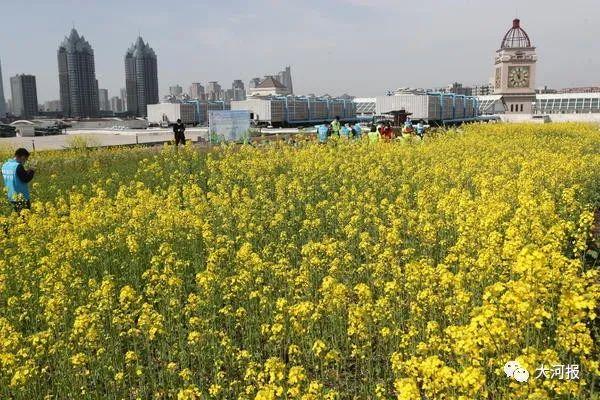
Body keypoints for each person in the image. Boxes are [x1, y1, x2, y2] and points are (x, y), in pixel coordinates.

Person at [2, 148, 35, 213]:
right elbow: (25, 179)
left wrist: (26, 171)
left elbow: (16, 175)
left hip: (11, 196)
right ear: (22, 157)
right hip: (21, 197)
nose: (25, 161)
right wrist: (31, 171)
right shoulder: (18, 166)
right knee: (24, 219)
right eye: (26, 159)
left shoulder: (4, 165)